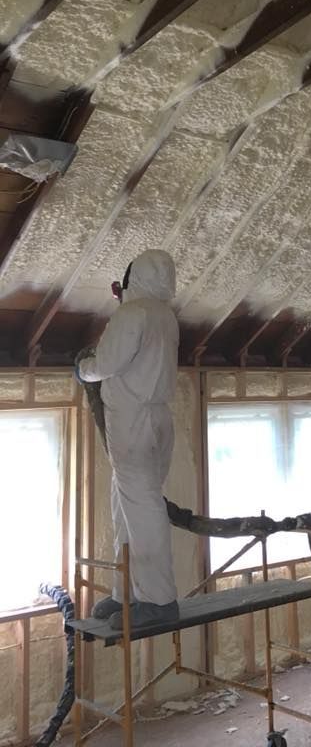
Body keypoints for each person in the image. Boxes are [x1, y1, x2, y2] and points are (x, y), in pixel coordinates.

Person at [77, 249, 179, 630]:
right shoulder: (166, 316)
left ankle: (158, 600)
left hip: (132, 419)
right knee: (126, 504)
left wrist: (82, 369)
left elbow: (105, 364)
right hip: (157, 418)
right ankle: (127, 593)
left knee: (140, 507)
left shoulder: (131, 314)